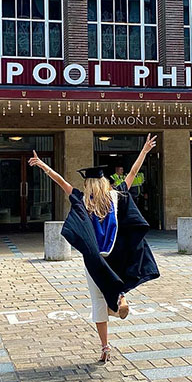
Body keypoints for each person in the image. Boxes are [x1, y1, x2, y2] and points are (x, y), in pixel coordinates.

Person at [28, 133, 160, 364]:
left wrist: (42, 165)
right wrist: (144, 151)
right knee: (112, 289)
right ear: (105, 182)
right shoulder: (116, 196)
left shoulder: (82, 200)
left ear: (87, 184)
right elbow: (131, 174)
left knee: (97, 301)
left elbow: (60, 182)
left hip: (95, 259)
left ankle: (105, 346)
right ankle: (118, 299)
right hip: (116, 254)